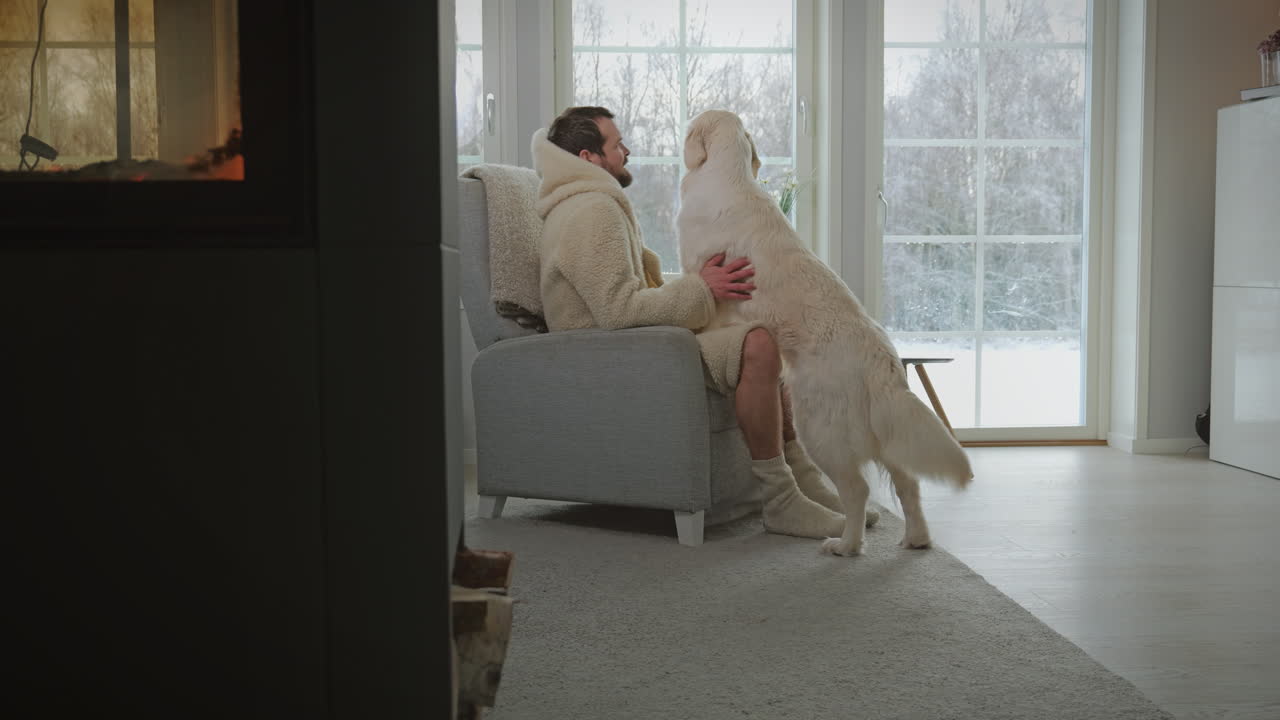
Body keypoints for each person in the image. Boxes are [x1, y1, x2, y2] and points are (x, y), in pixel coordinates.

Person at [531, 106, 877, 538]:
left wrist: (701, 285)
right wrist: (701, 287)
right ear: (588, 158)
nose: (627, 151)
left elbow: (619, 297)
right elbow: (618, 310)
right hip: (613, 356)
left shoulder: (588, 203)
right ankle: (781, 500)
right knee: (757, 344)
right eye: (616, 145)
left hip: (632, 345)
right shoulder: (591, 211)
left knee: (763, 329)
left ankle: (802, 479)